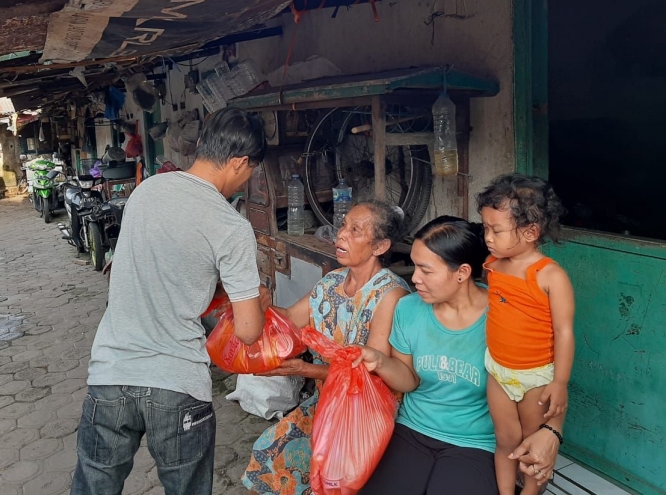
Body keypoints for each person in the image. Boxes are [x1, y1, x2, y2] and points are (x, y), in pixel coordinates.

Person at [71, 107, 270, 495]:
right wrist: (257, 304)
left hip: (111, 373)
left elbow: (163, 276)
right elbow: (247, 333)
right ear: (240, 162)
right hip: (176, 385)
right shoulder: (231, 226)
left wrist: (217, 291)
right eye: (251, 171)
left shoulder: (146, 192)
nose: (248, 180)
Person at [357, 216, 562, 495]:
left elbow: (540, 378)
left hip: (475, 442)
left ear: (462, 272)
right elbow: (410, 381)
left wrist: (550, 432)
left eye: (426, 270)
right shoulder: (408, 309)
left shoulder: (503, 315)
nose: (414, 278)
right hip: (412, 430)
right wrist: (380, 362)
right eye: (415, 266)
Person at [242, 201, 410, 495]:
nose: (341, 235)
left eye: (355, 230)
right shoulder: (331, 282)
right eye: (343, 225)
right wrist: (259, 308)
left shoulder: (390, 294)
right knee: (268, 453)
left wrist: (305, 369)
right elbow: (290, 322)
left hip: (365, 413)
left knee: (333, 478)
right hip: (326, 404)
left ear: (380, 246)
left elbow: (369, 376)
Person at [477, 174, 575, 495]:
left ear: (531, 232)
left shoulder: (549, 275)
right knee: (505, 439)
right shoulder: (493, 264)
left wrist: (559, 382)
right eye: (486, 228)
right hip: (498, 370)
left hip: (537, 377)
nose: (488, 237)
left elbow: (564, 331)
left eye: (497, 230)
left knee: (534, 443)